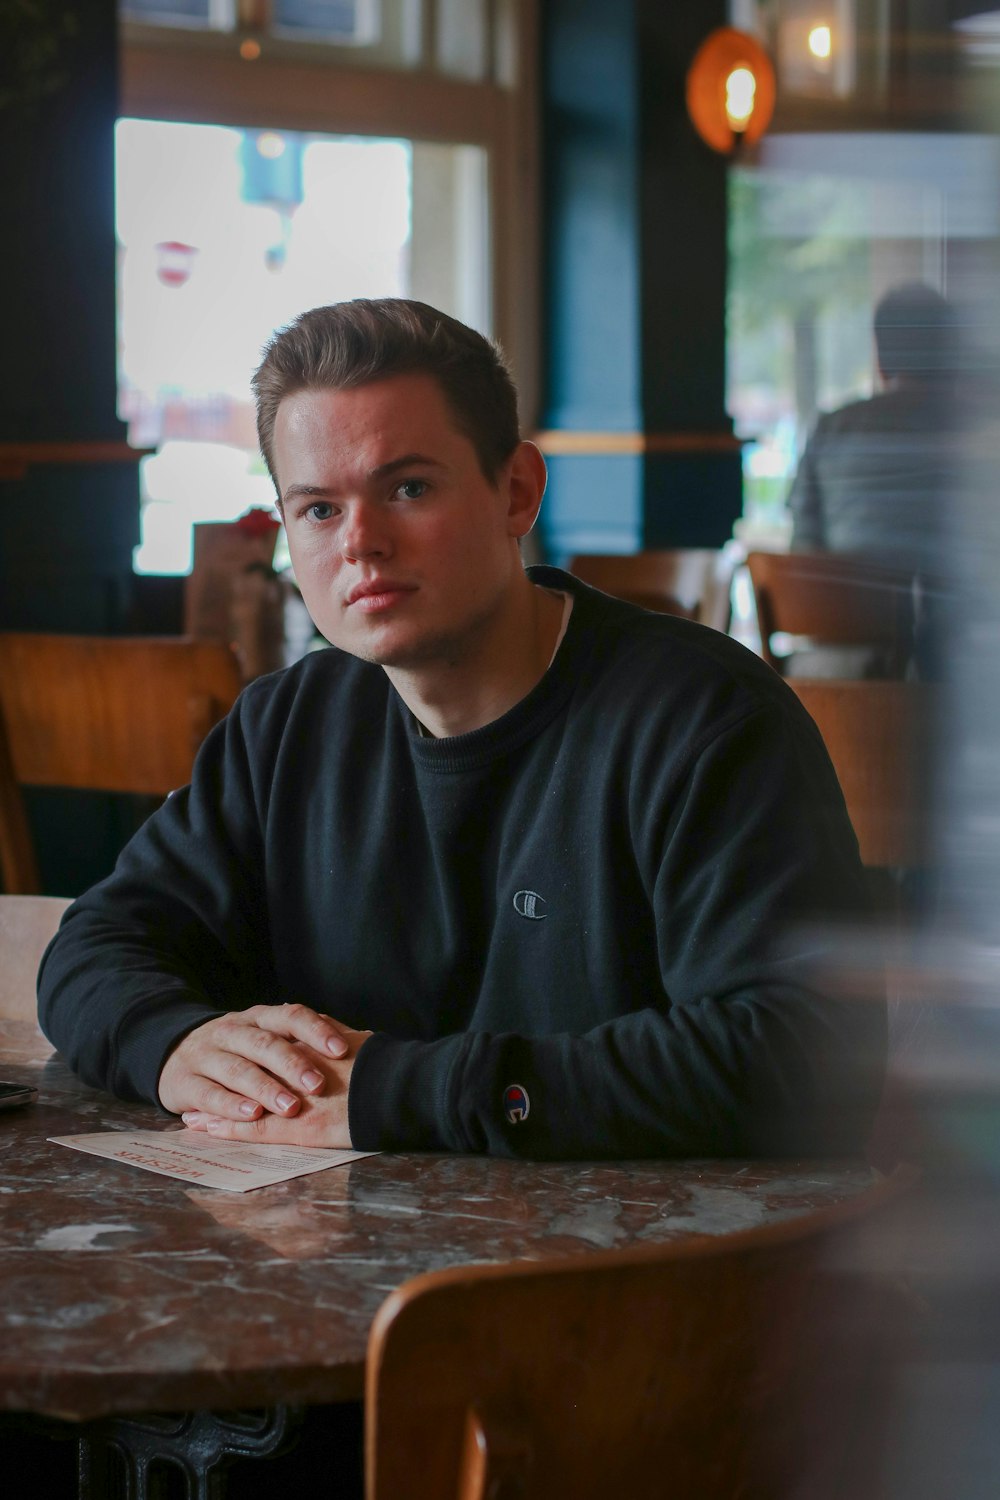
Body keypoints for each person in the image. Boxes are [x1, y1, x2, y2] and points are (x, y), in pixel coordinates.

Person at [38, 298, 885, 1160]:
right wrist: (174, 1046)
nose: (360, 544)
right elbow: (96, 945)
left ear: (515, 491)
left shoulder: (706, 722)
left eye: (407, 487)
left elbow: (803, 1052)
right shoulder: (286, 724)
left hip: (647, 1275)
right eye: (319, 510)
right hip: (334, 1258)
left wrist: (404, 1093)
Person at [788, 281, 958, 570]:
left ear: (880, 359)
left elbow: (803, 555)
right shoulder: (973, 432)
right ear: (950, 353)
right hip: (948, 614)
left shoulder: (830, 431)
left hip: (841, 613)